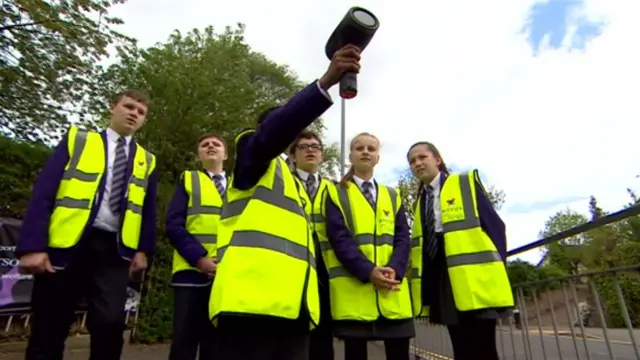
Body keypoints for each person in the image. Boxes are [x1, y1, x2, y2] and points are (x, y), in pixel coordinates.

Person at [209, 44, 361, 360]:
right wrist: (325, 83)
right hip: (249, 305)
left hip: (293, 308)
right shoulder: (253, 156)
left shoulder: (292, 182)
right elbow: (274, 133)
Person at [17, 90, 157, 360]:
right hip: (67, 246)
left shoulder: (147, 161)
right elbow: (44, 192)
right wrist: (32, 246)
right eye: (128, 107)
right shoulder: (78, 140)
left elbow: (147, 210)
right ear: (112, 108)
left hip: (115, 251)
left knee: (110, 323)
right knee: (49, 324)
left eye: (140, 112)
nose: (133, 114)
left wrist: (143, 250)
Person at [405, 141, 513, 360]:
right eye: (412, 161)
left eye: (422, 157)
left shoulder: (464, 184)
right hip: (444, 281)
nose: (417, 163)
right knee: (461, 348)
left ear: (437, 159)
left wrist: (496, 271)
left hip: (476, 281)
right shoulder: (420, 201)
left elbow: (495, 227)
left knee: (484, 349)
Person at [325, 132, 414, 360]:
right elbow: (339, 238)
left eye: (371, 149)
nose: (365, 152)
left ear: (378, 158)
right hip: (355, 298)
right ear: (351, 156)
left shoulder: (393, 195)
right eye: (359, 148)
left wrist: (395, 269)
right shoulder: (335, 193)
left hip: (392, 293)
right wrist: (368, 271)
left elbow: (403, 238)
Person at [165, 133, 228, 360]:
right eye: (204, 144)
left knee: (218, 344)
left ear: (226, 154)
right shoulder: (188, 179)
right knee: (184, 341)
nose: (211, 146)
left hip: (227, 276)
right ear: (199, 155)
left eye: (216, 144)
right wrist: (200, 259)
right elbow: (174, 225)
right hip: (191, 273)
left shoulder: (239, 187)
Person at [289, 131, 335, 360]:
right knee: (293, 336)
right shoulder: (282, 185)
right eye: (303, 146)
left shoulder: (335, 188)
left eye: (315, 146)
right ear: (293, 156)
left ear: (322, 156)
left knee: (323, 336)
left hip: (326, 270)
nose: (310, 150)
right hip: (292, 266)